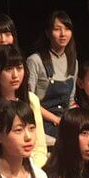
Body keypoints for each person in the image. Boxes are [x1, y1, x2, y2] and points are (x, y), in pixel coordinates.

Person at [0, 44, 49, 167]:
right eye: (9, 69)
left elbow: (40, 148)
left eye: (19, 68)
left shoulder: (32, 100)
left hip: (32, 166)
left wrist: (31, 169)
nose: (15, 75)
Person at [25, 10, 78, 138]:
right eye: (57, 29)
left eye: (67, 29)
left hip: (64, 121)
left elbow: (71, 101)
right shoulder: (35, 60)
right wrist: (56, 119)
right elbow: (29, 100)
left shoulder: (73, 61)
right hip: (41, 123)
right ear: (48, 33)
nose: (63, 34)